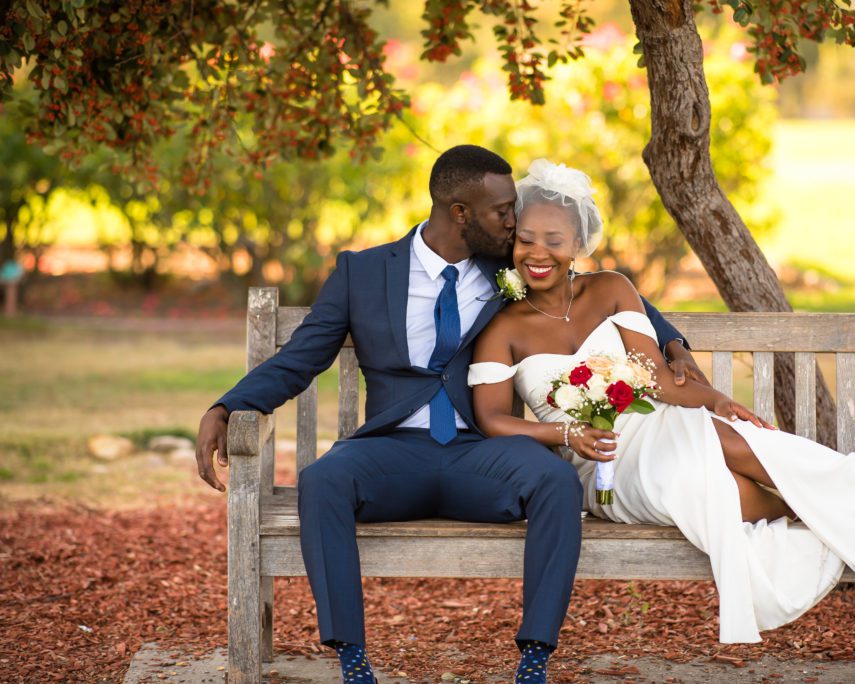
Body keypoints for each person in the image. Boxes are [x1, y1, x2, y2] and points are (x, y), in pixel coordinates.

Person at [194, 146, 703, 683]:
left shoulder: (509, 265)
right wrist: (228, 405)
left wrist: (672, 342)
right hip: (391, 452)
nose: (515, 222)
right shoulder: (361, 273)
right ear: (460, 213)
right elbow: (301, 358)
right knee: (322, 480)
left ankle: (534, 658)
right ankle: (352, 659)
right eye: (503, 211)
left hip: (482, 450)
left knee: (554, 480)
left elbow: (600, 289)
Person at [468, 159, 855, 644]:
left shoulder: (611, 289)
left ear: (577, 245)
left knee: (721, 436)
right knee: (712, 484)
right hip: (603, 467)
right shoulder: (503, 329)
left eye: (554, 241)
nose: (538, 252)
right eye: (526, 240)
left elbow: (657, 379)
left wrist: (717, 398)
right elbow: (492, 419)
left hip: (658, 423)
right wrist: (566, 433)